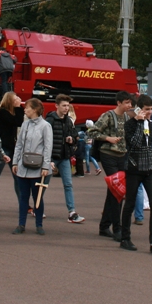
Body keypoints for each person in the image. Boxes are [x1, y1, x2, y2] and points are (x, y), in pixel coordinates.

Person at [120, 94, 152, 255]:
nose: (149, 112)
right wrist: (139, 122)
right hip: (134, 169)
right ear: (139, 109)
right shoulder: (130, 124)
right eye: (147, 109)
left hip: (149, 169)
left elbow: (151, 144)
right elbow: (134, 143)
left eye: (151, 109)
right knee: (130, 203)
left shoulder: (151, 124)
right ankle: (125, 238)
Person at [88, 91, 134, 241]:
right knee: (117, 189)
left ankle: (104, 226)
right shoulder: (108, 116)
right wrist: (108, 138)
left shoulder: (127, 117)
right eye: (126, 103)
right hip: (108, 155)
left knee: (113, 191)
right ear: (119, 103)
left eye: (130, 103)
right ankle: (117, 228)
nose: (129, 105)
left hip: (122, 156)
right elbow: (92, 132)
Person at [11, 98, 52, 235]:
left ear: (35, 109)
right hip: (23, 166)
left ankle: (39, 225)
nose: (25, 110)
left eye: (27, 107)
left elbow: (48, 147)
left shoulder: (45, 126)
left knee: (37, 197)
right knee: (23, 197)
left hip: (38, 167)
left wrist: (45, 166)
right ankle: (21, 224)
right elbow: (19, 144)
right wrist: (15, 162)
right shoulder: (25, 124)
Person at [45, 94, 85, 224]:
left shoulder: (68, 121)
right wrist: (48, 158)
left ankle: (72, 212)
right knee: (44, 183)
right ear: (56, 106)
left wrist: (71, 139)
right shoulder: (50, 120)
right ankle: (37, 206)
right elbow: (45, 139)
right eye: (64, 105)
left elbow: (74, 136)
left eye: (68, 105)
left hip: (64, 157)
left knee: (68, 184)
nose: (66, 108)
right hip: (52, 156)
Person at [0, 92, 25, 199]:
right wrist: (18, 107)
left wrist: (18, 108)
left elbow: (20, 120)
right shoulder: (2, 112)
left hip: (13, 148)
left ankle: (23, 203)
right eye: (15, 98)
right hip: (3, 147)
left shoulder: (14, 112)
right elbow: (17, 121)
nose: (18, 100)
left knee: (18, 176)